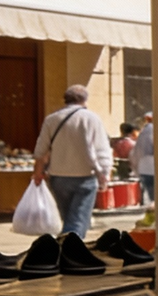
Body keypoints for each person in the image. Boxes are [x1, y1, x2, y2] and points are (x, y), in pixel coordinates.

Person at [33, 85, 112, 238]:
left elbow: (40, 150)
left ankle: (65, 246)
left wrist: (37, 173)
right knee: (78, 220)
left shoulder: (52, 119)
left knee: (68, 218)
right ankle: (69, 251)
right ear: (85, 100)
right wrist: (104, 173)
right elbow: (101, 149)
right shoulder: (92, 118)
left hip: (58, 177)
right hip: (85, 176)